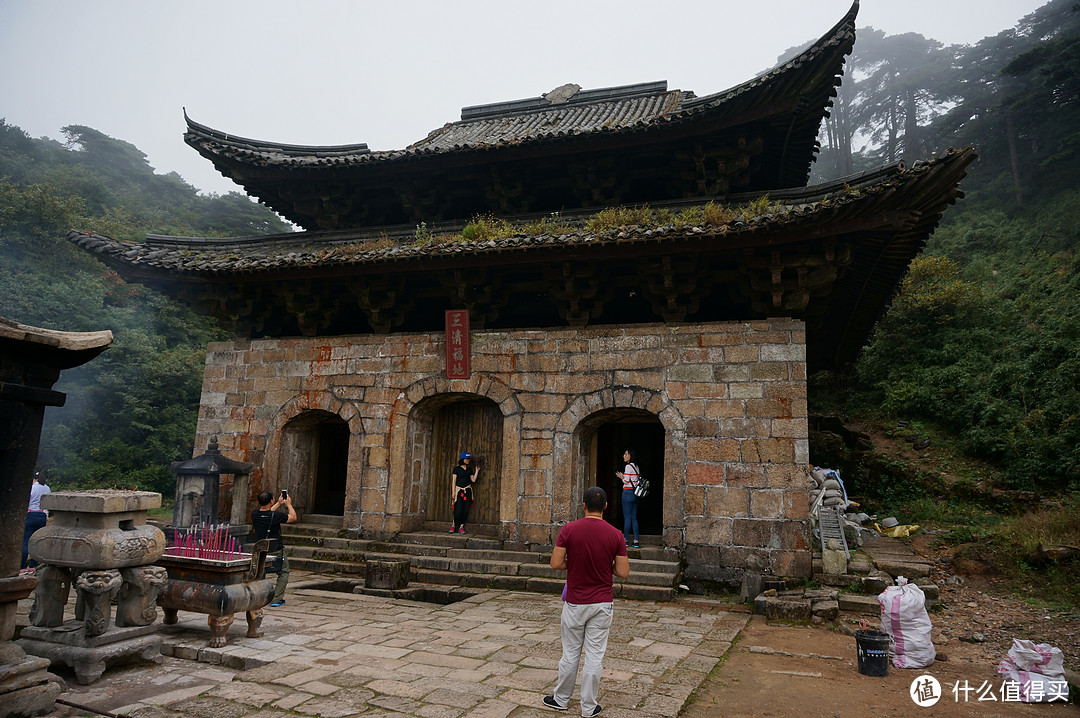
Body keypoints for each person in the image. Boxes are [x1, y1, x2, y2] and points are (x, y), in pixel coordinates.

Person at [544, 486, 630, 717]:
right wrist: (606, 565)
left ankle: (560, 699)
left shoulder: (569, 530)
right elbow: (623, 572)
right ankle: (589, 707)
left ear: (583, 506)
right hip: (602, 602)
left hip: (575, 601)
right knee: (594, 655)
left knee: (570, 653)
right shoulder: (616, 535)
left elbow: (555, 563)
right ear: (605, 507)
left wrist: (575, 563)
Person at [251, 489, 296, 606]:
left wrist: (279, 503)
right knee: (283, 572)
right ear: (271, 500)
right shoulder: (276, 516)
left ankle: (258, 597)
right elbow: (293, 517)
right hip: (275, 549)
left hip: (260, 549)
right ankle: (276, 599)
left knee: (260, 572)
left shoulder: (254, 514)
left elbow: (267, 513)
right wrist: (288, 504)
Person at [21, 471, 51, 574]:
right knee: (36, 541)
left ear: (34, 479)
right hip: (42, 516)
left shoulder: (32, 487)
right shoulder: (47, 488)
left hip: (31, 515)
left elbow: (26, 501)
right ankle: (32, 566)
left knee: (25, 541)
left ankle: (21, 568)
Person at [614, 449, 641, 548]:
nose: (624, 456)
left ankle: (625, 540)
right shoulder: (636, 466)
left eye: (626, 454)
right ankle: (636, 540)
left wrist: (621, 476)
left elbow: (626, 481)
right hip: (635, 494)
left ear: (631, 455)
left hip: (627, 493)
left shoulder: (628, 466)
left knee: (627, 517)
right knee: (634, 518)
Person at [450, 451, 480, 533]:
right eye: (466, 459)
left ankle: (461, 527)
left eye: (468, 459)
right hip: (459, 490)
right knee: (457, 509)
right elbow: (454, 481)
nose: (468, 460)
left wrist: (476, 471)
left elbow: (473, 480)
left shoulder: (469, 470)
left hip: (468, 491)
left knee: (466, 509)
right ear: (462, 459)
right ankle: (453, 526)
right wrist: (453, 492)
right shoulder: (456, 469)